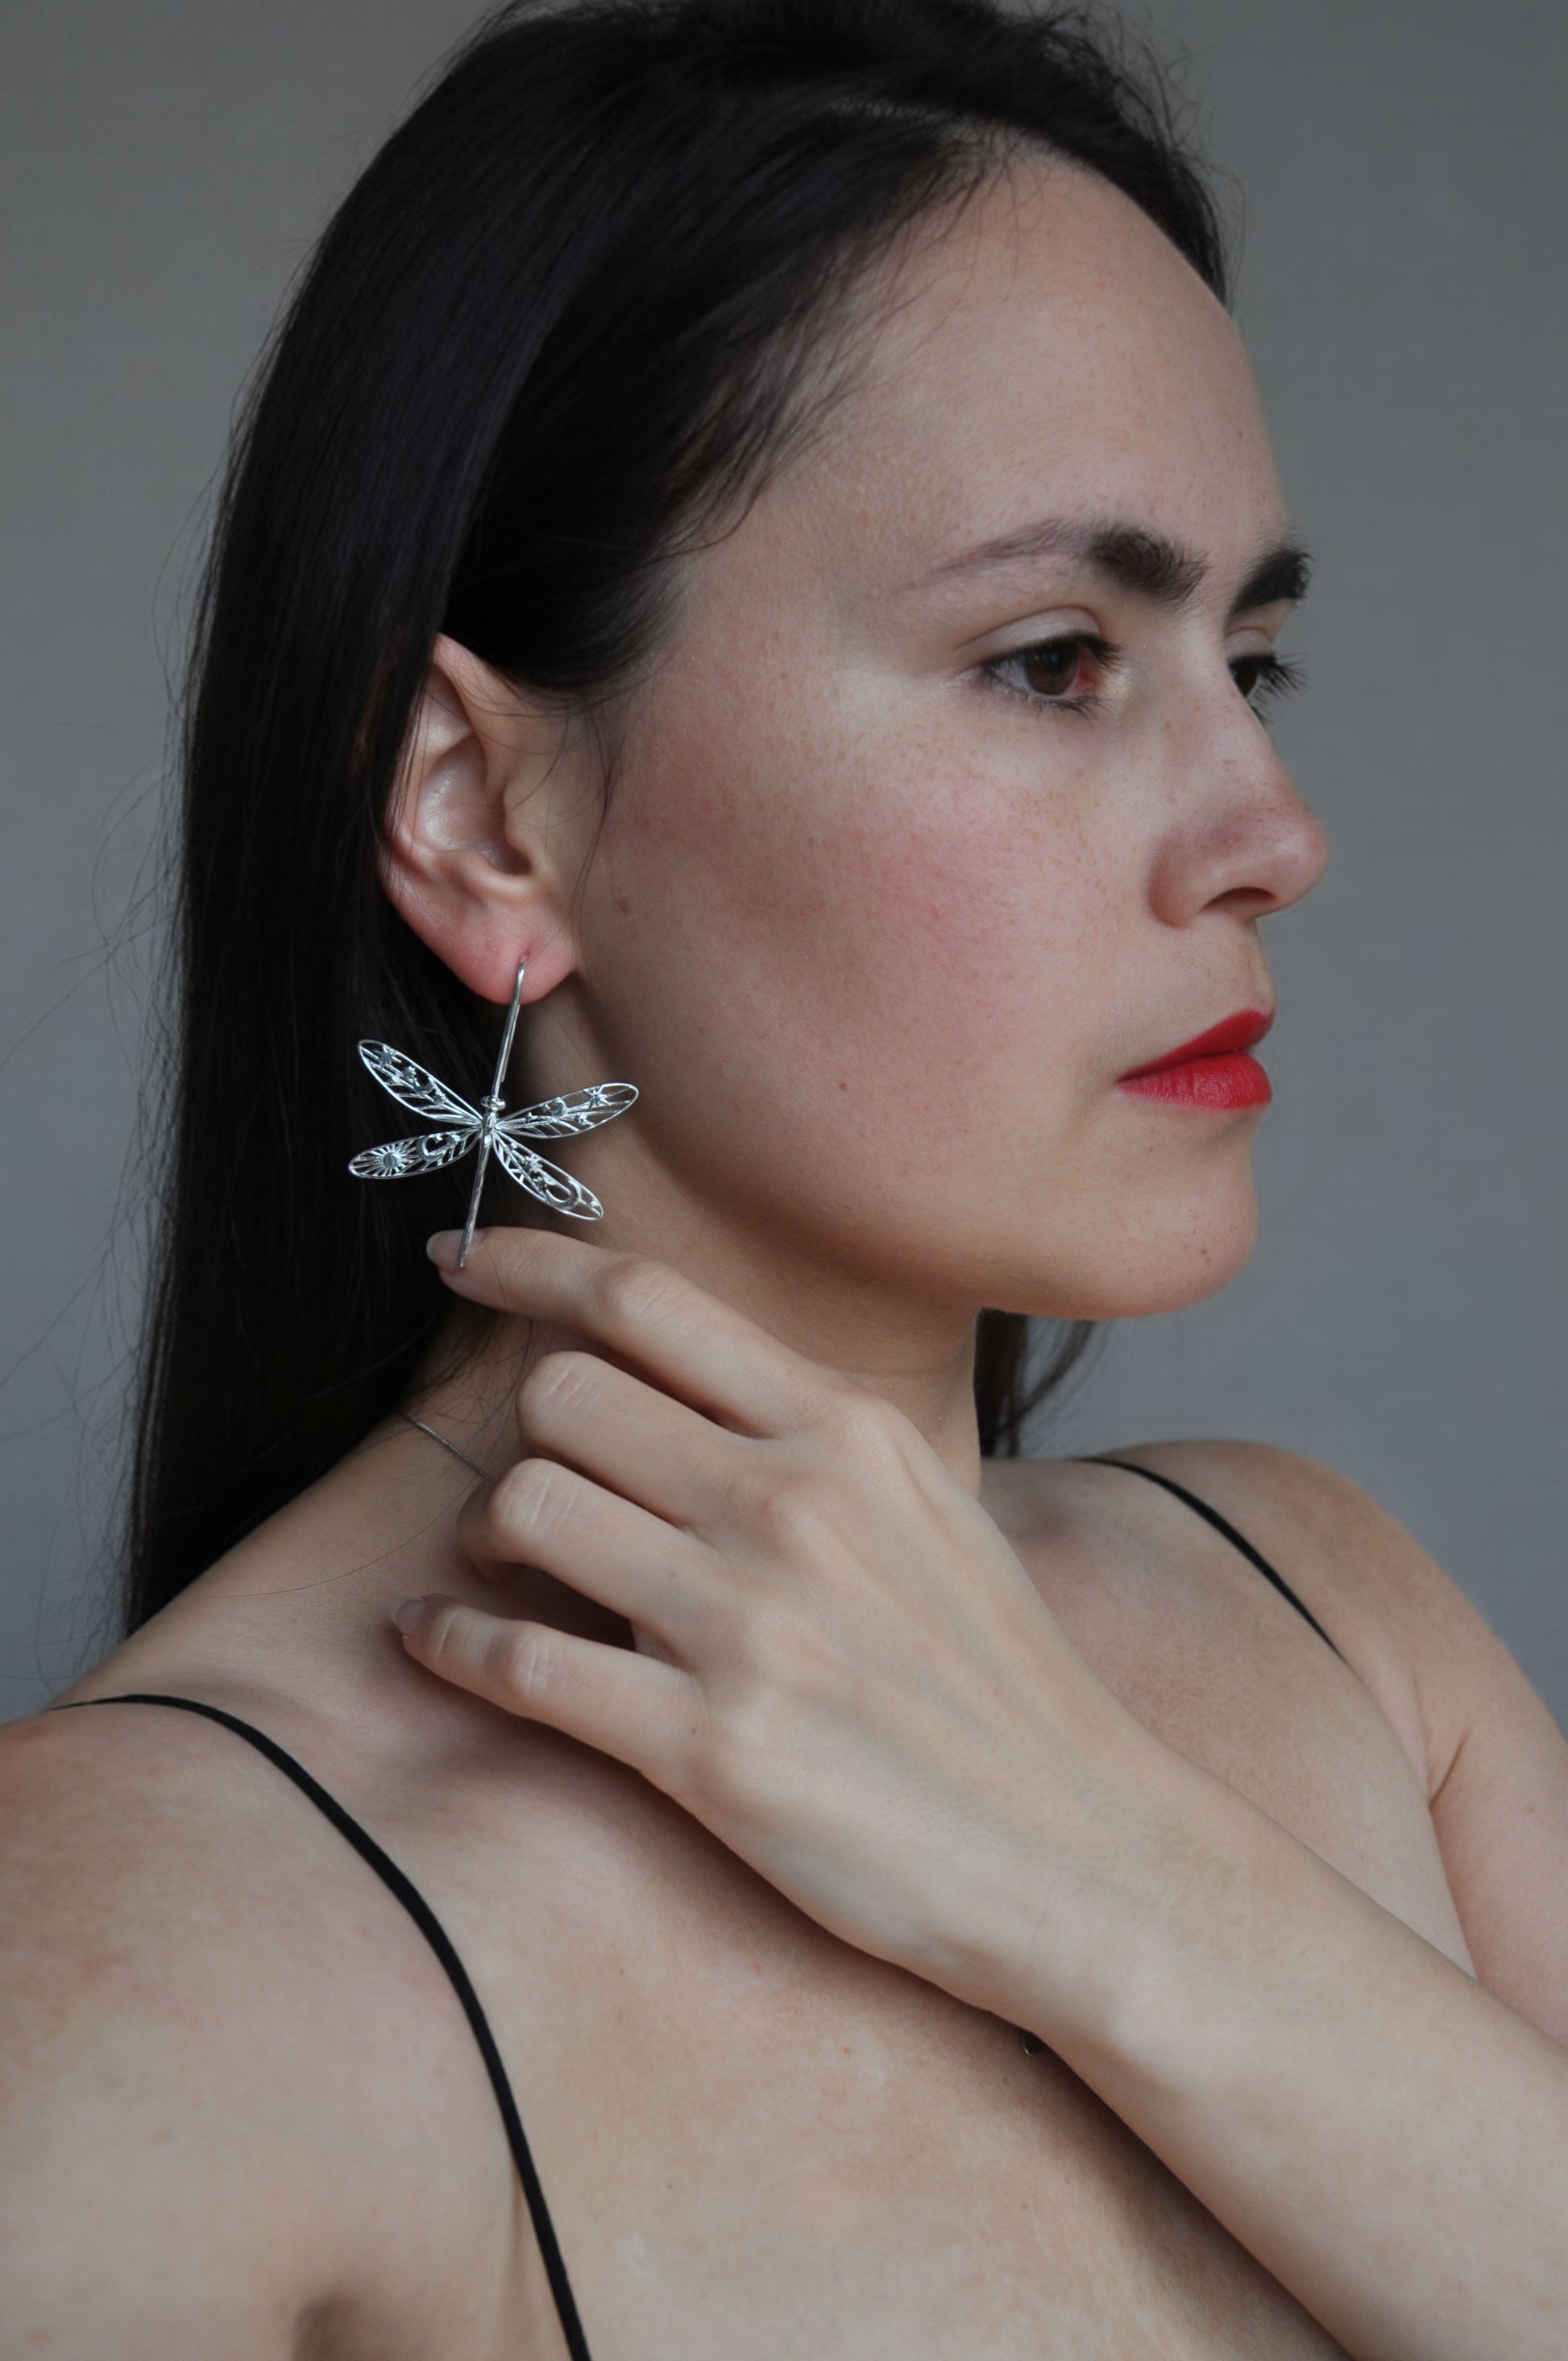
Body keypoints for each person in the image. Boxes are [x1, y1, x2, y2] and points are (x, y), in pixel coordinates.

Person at [2, 0, 1564, 2351]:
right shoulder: (134, 1956)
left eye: (1248, 661)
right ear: (485, 814)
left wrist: (1113, 1871)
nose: (1272, 832)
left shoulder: (1337, 1621)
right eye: (1055, 660)